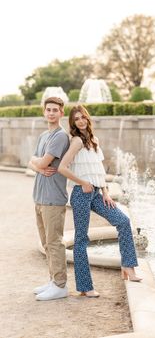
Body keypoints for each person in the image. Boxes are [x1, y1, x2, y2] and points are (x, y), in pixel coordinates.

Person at [58, 105, 141, 298]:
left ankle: (128, 267)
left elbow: (98, 170)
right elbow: (62, 167)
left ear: (88, 119)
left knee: (122, 221)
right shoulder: (76, 141)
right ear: (73, 122)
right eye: (76, 118)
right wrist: (82, 182)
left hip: (96, 193)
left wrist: (105, 192)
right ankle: (85, 287)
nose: (80, 121)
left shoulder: (94, 140)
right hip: (81, 193)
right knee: (81, 239)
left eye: (83, 117)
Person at [28, 96, 70, 301]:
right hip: (40, 197)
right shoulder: (44, 135)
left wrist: (38, 163)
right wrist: (38, 164)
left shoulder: (60, 136)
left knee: (54, 242)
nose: (51, 113)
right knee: (46, 242)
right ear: (44, 112)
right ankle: (52, 280)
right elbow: (32, 162)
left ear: (61, 113)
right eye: (48, 110)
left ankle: (61, 285)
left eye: (55, 110)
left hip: (53, 198)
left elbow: (43, 162)